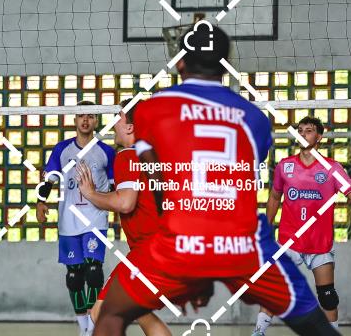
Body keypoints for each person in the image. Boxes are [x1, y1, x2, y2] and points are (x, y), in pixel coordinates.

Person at [94, 25, 339, 336]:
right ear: (225, 64)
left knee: (109, 313)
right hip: (242, 244)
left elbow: (156, 176)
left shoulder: (152, 110)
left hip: (181, 241)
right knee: (314, 321)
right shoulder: (255, 118)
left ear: (180, 63)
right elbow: (247, 173)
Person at [252, 116, 350, 335]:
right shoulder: (285, 166)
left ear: (319, 137)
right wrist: (266, 229)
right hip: (289, 243)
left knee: (328, 297)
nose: (303, 134)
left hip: (319, 245)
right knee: (274, 292)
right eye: (300, 130)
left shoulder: (332, 168)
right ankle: (258, 332)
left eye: (309, 130)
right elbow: (274, 197)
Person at [75, 110, 169, 336]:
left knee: (100, 312)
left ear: (130, 127)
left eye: (118, 117)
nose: (112, 122)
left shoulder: (128, 155)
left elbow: (125, 203)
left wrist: (90, 193)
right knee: (140, 312)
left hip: (148, 252)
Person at [36, 100, 115, 336]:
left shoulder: (106, 152)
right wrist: (40, 202)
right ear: (74, 120)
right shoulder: (62, 150)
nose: (85, 120)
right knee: (74, 276)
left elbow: (115, 186)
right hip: (68, 220)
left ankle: (93, 324)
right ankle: (83, 327)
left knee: (94, 271)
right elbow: (48, 180)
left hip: (95, 218)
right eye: (81, 115)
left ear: (96, 120)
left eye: (90, 116)